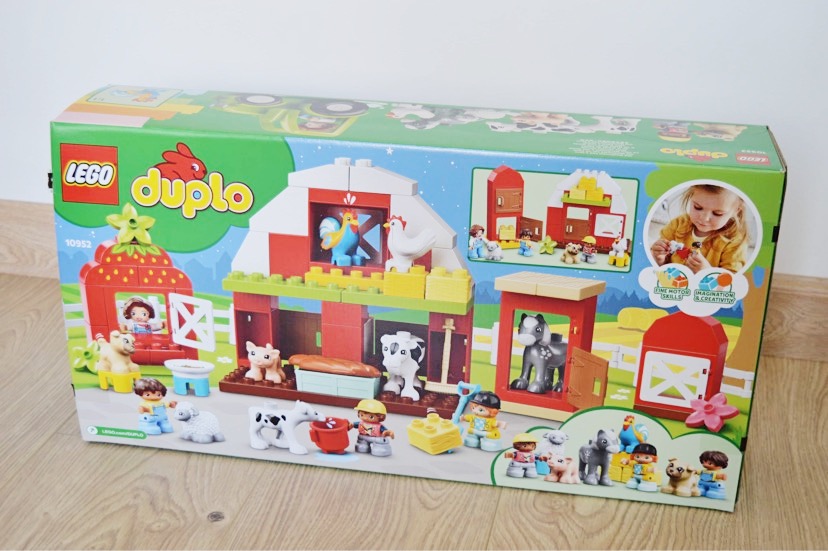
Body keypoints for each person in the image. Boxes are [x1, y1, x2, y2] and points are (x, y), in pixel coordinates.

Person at [650, 184, 748, 273]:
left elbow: (731, 280)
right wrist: (659, 258)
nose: (704, 218)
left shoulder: (734, 241)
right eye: (697, 207)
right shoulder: (677, 224)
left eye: (717, 213)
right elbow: (660, 266)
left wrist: (707, 272)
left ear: (736, 210)